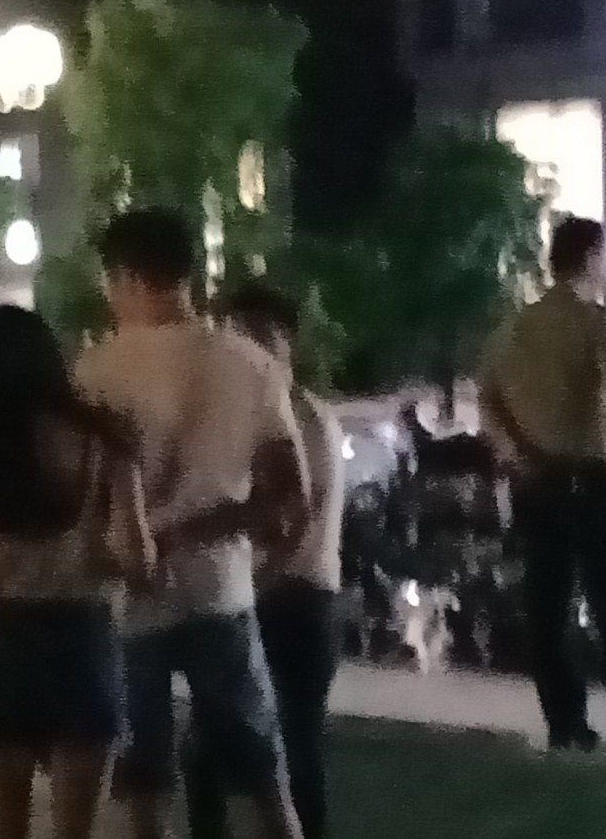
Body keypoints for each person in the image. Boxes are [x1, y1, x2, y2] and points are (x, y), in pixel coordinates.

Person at [75, 209, 311, 839]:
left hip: (128, 600)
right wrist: (206, 536)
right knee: (264, 782)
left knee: (142, 789)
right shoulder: (251, 363)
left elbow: (83, 497)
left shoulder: (94, 372)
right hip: (221, 593)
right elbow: (289, 497)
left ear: (127, 276)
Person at [0, 305, 151, 839]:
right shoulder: (103, 436)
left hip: (1, 639)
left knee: (1, 826)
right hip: (83, 640)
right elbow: (139, 561)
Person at [478, 216, 606, 753]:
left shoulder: (514, 327)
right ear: (594, 257)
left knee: (549, 609)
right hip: (592, 480)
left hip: (536, 482)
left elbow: (488, 399)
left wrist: (515, 456)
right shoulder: (599, 323)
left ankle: (566, 723)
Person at [187, 284, 345, 839]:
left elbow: (300, 520)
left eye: (261, 336)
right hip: (249, 597)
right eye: (238, 336)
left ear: (288, 343)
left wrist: (248, 585)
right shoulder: (244, 415)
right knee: (211, 748)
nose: (248, 348)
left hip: (295, 601)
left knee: (292, 745)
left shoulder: (304, 419)